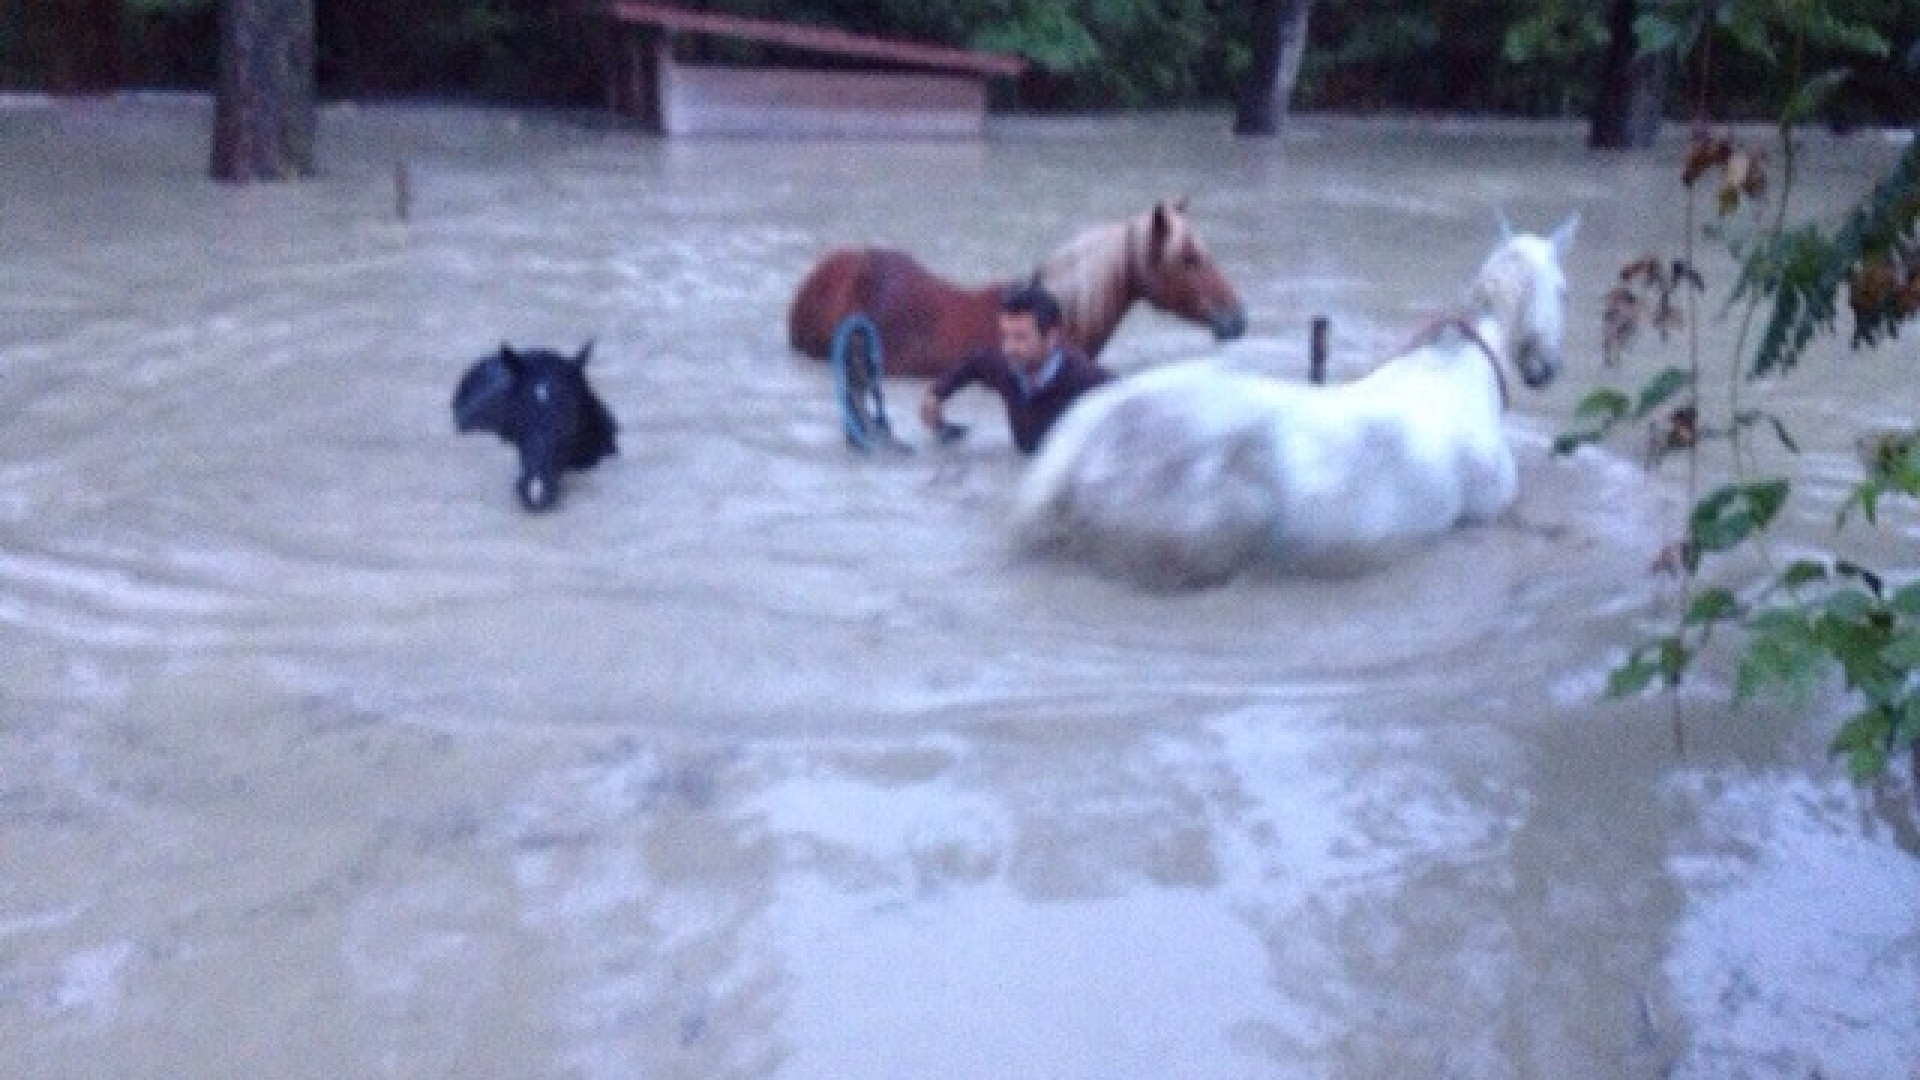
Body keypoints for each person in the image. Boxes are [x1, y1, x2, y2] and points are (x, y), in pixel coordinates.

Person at [919, 282, 1112, 454]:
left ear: (1051, 337)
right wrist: (936, 395)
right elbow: (975, 363)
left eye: (1020, 337)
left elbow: (1124, 400)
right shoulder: (1005, 367)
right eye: (1005, 336)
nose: (1009, 348)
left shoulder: (1087, 380)